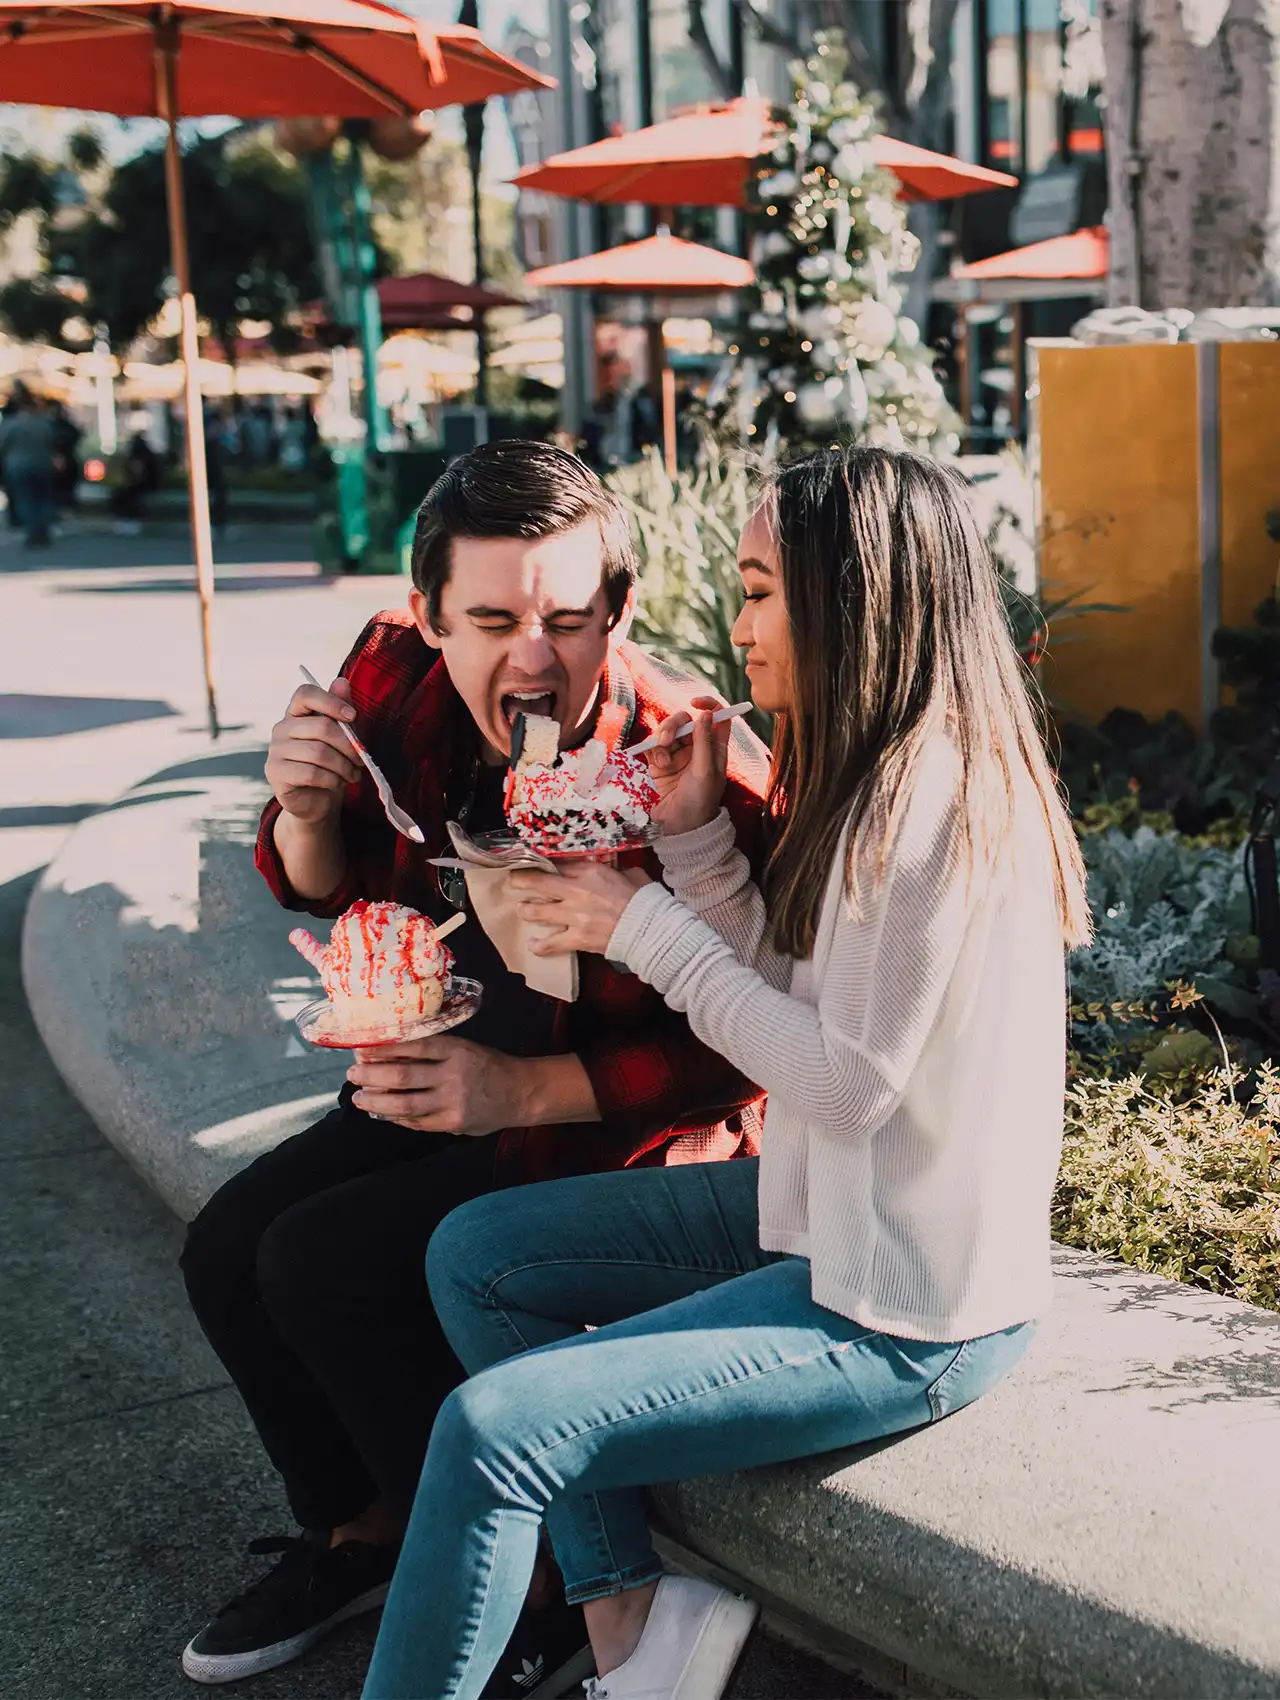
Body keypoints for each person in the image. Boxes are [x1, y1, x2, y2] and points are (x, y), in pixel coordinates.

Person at [361, 444, 1094, 1700]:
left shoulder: (928, 807)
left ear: (848, 598)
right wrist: (696, 839)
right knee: (476, 1251)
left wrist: (633, 923)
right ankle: (639, 1639)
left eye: (757, 590)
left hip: (901, 1308)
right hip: (820, 1216)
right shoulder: (876, 771)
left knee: (495, 1429)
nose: (735, 621)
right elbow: (801, 998)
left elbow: (842, 1084)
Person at [177, 441, 770, 1691]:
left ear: (618, 608)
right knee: (225, 1249)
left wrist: (524, 1092)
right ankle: (366, 1529)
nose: (535, 655)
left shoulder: (695, 764)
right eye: (492, 618)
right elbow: (321, 875)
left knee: (322, 1259)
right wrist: (300, 809)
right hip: (439, 1079)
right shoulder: (389, 684)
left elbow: (759, 1041)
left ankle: (541, 1592)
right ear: (430, 614)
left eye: (567, 617)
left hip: (606, 1128)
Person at [0, 386, 56, 546]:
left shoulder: (11, 425)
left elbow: (2, 445)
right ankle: (42, 530)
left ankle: (33, 531)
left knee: (26, 500)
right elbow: (53, 442)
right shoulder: (44, 424)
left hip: (19, 466)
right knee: (42, 499)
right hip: (42, 464)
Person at [110, 431, 161, 529]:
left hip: (143, 485)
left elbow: (138, 473)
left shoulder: (140, 455)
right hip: (146, 484)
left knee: (127, 496)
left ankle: (129, 518)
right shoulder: (145, 454)